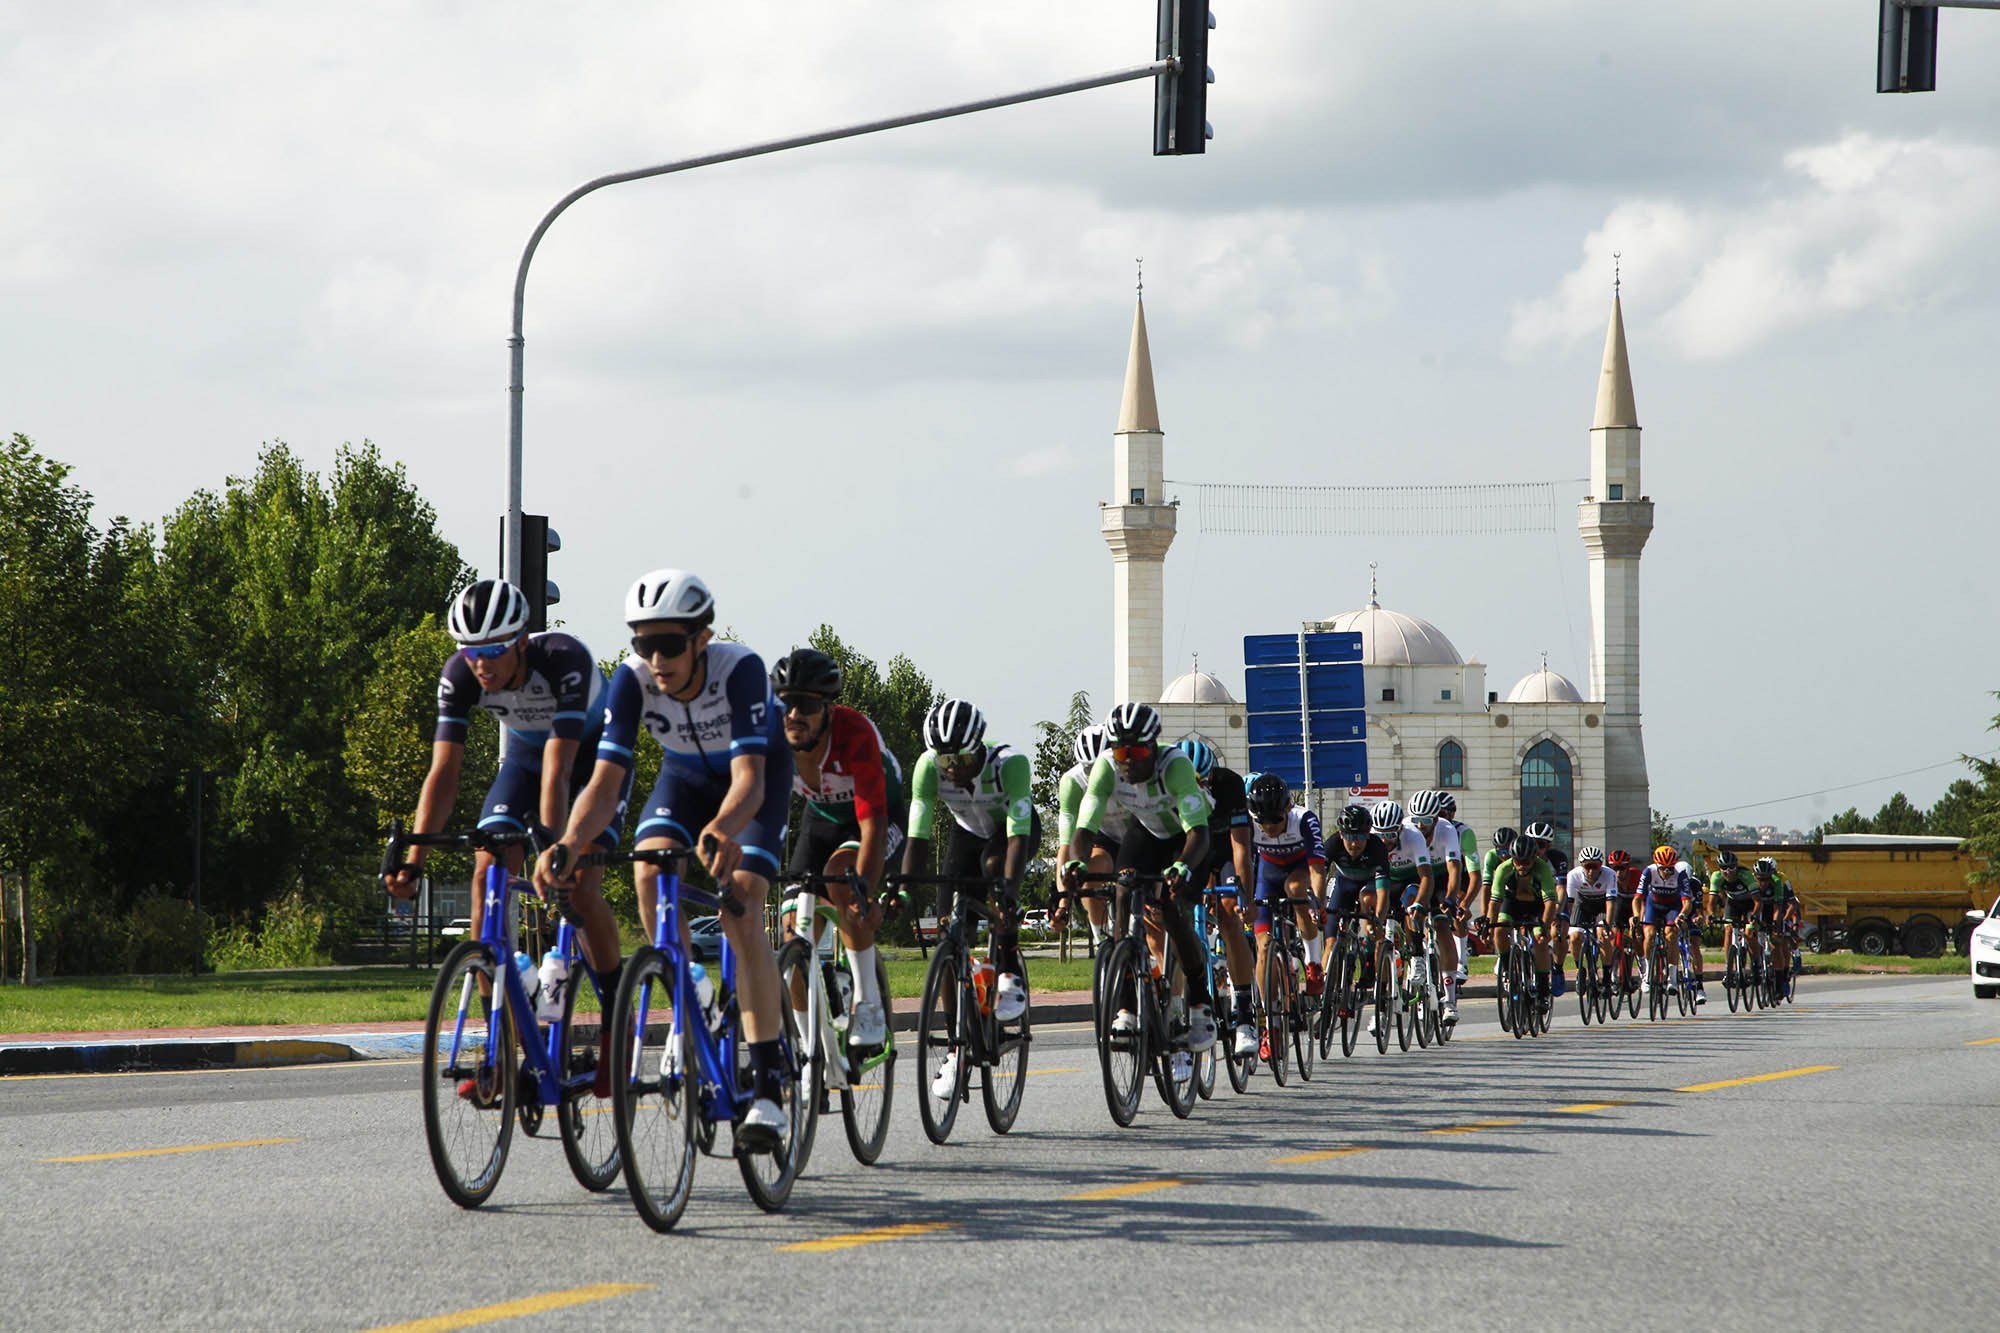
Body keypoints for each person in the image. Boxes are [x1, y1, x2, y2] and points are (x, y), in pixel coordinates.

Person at [535, 569, 794, 1149]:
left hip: (752, 786)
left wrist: (725, 829)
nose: (656, 657)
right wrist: (569, 842)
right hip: (682, 780)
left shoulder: (741, 669)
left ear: (702, 637)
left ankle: (771, 1086)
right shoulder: (631, 682)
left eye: (670, 643)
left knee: (742, 908)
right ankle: (689, 986)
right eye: (642, 643)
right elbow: (605, 784)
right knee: (647, 869)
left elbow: (750, 779)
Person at [390, 579, 629, 1094]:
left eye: (494, 650)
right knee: (487, 870)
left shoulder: (565, 659)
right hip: (524, 760)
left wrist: (555, 849)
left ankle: (616, 1017)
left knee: (582, 885)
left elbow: (561, 769)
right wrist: (415, 860)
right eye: (471, 651)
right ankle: (498, 1048)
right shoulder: (460, 674)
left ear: (521, 640)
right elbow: (443, 773)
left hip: (590, 761)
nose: (482, 663)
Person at [1062, 702, 1219, 1054]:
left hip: (1187, 839)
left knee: (1172, 909)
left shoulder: (1174, 765)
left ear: (1152, 747)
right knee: (1122, 892)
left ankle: (1199, 1000)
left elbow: (1199, 834)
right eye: (1120, 751)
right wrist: (1075, 863)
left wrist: (1181, 867)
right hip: (1146, 831)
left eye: (1135, 751)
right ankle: (1126, 1006)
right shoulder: (1106, 767)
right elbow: (1084, 828)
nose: (1127, 760)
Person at [902, 699, 1038, 1097]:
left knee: (995, 869)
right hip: (966, 834)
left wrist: (1010, 895)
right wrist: (905, 885)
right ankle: (956, 1046)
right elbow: (918, 835)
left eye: (961, 757)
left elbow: (1017, 835)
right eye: (945, 758)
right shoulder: (928, 768)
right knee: (950, 932)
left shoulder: (1009, 765)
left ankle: (1008, 969)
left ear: (978, 747)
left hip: (1010, 835)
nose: (952, 768)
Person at [769, 647, 903, 1051]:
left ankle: (868, 1003)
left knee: (844, 881)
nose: (794, 714)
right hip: (820, 820)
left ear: (827, 708)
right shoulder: (772, 735)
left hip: (876, 817)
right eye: (787, 703)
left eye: (806, 705)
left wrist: (866, 888)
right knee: (794, 931)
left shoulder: (854, 734)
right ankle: (810, 1053)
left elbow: (873, 823)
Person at [1179, 739, 1260, 1061]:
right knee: (1178, 915)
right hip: (1190, 847)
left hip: (1225, 849)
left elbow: (1241, 847)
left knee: (1229, 915)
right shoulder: (1169, 785)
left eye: (1203, 781)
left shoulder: (1229, 785)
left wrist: (1246, 898)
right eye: (1191, 782)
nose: (1198, 787)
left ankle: (1244, 1014)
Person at [1244, 773, 1328, 1056]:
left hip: (1298, 870)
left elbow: (1317, 867)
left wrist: (1318, 902)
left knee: (1296, 889)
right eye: (1262, 823)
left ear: (1287, 810)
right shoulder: (1249, 822)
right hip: (1266, 876)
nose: (1268, 828)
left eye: (1275, 822)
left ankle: (1313, 962)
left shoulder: (1304, 819)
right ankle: (1271, 1024)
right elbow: (1242, 861)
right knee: (1264, 949)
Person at [1318, 802, 1396, 1016]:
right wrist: (1318, 906)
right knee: (1330, 942)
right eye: (1350, 837)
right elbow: (1319, 879)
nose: (1355, 843)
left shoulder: (1377, 848)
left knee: (1368, 900)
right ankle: (1326, 997)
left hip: (1369, 886)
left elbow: (1383, 893)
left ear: (1368, 835)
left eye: (1360, 837)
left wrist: (1378, 921)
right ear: (1341, 835)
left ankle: (1370, 956)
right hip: (1344, 885)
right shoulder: (1332, 844)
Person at [1485, 821, 1560, 1008]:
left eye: (1526, 862)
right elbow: (1494, 901)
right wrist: (1489, 923)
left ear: (1534, 858)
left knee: (1541, 941)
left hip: (1536, 906)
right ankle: (1506, 966)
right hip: (1513, 904)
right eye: (1518, 861)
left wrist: (1544, 924)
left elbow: (1550, 902)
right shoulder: (1504, 869)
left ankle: (1543, 991)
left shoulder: (1543, 869)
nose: (1522, 866)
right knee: (1499, 932)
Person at [1405, 790, 1465, 1006]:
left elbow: (1454, 870)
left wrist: (1450, 898)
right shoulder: (1406, 828)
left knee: (1442, 927)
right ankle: (1416, 956)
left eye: (1427, 821)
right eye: (1416, 820)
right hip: (1415, 873)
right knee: (1409, 907)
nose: (1420, 826)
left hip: (1440, 875)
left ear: (1437, 819)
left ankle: (1449, 1000)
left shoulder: (1447, 830)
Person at [1635, 845, 1694, 997]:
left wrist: (1681, 916)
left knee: (1671, 935)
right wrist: (1636, 916)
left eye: (1670, 869)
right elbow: (1638, 898)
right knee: (1648, 933)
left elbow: (1687, 903)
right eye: (1664, 869)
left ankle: (1672, 978)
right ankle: (1647, 974)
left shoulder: (1680, 874)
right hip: (1653, 905)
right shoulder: (1649, 871)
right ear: (1657, 865)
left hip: (1672, 907)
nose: (1667, 872)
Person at [1564, 846, 1619, 989]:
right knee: (1575, 937)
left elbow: (1611, 902)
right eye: (1588, 866)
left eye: (1595, 867)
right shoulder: (1573, 875)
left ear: (1601, 866)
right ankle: (1579, 969)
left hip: (1602, 905)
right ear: (1582, 866)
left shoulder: (1610, 874)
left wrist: (1608, 923)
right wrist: (1567, 924)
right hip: (1583, 905)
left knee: (1604, 935)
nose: (1591, 871)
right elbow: (1569, 903)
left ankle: (1606, 976)